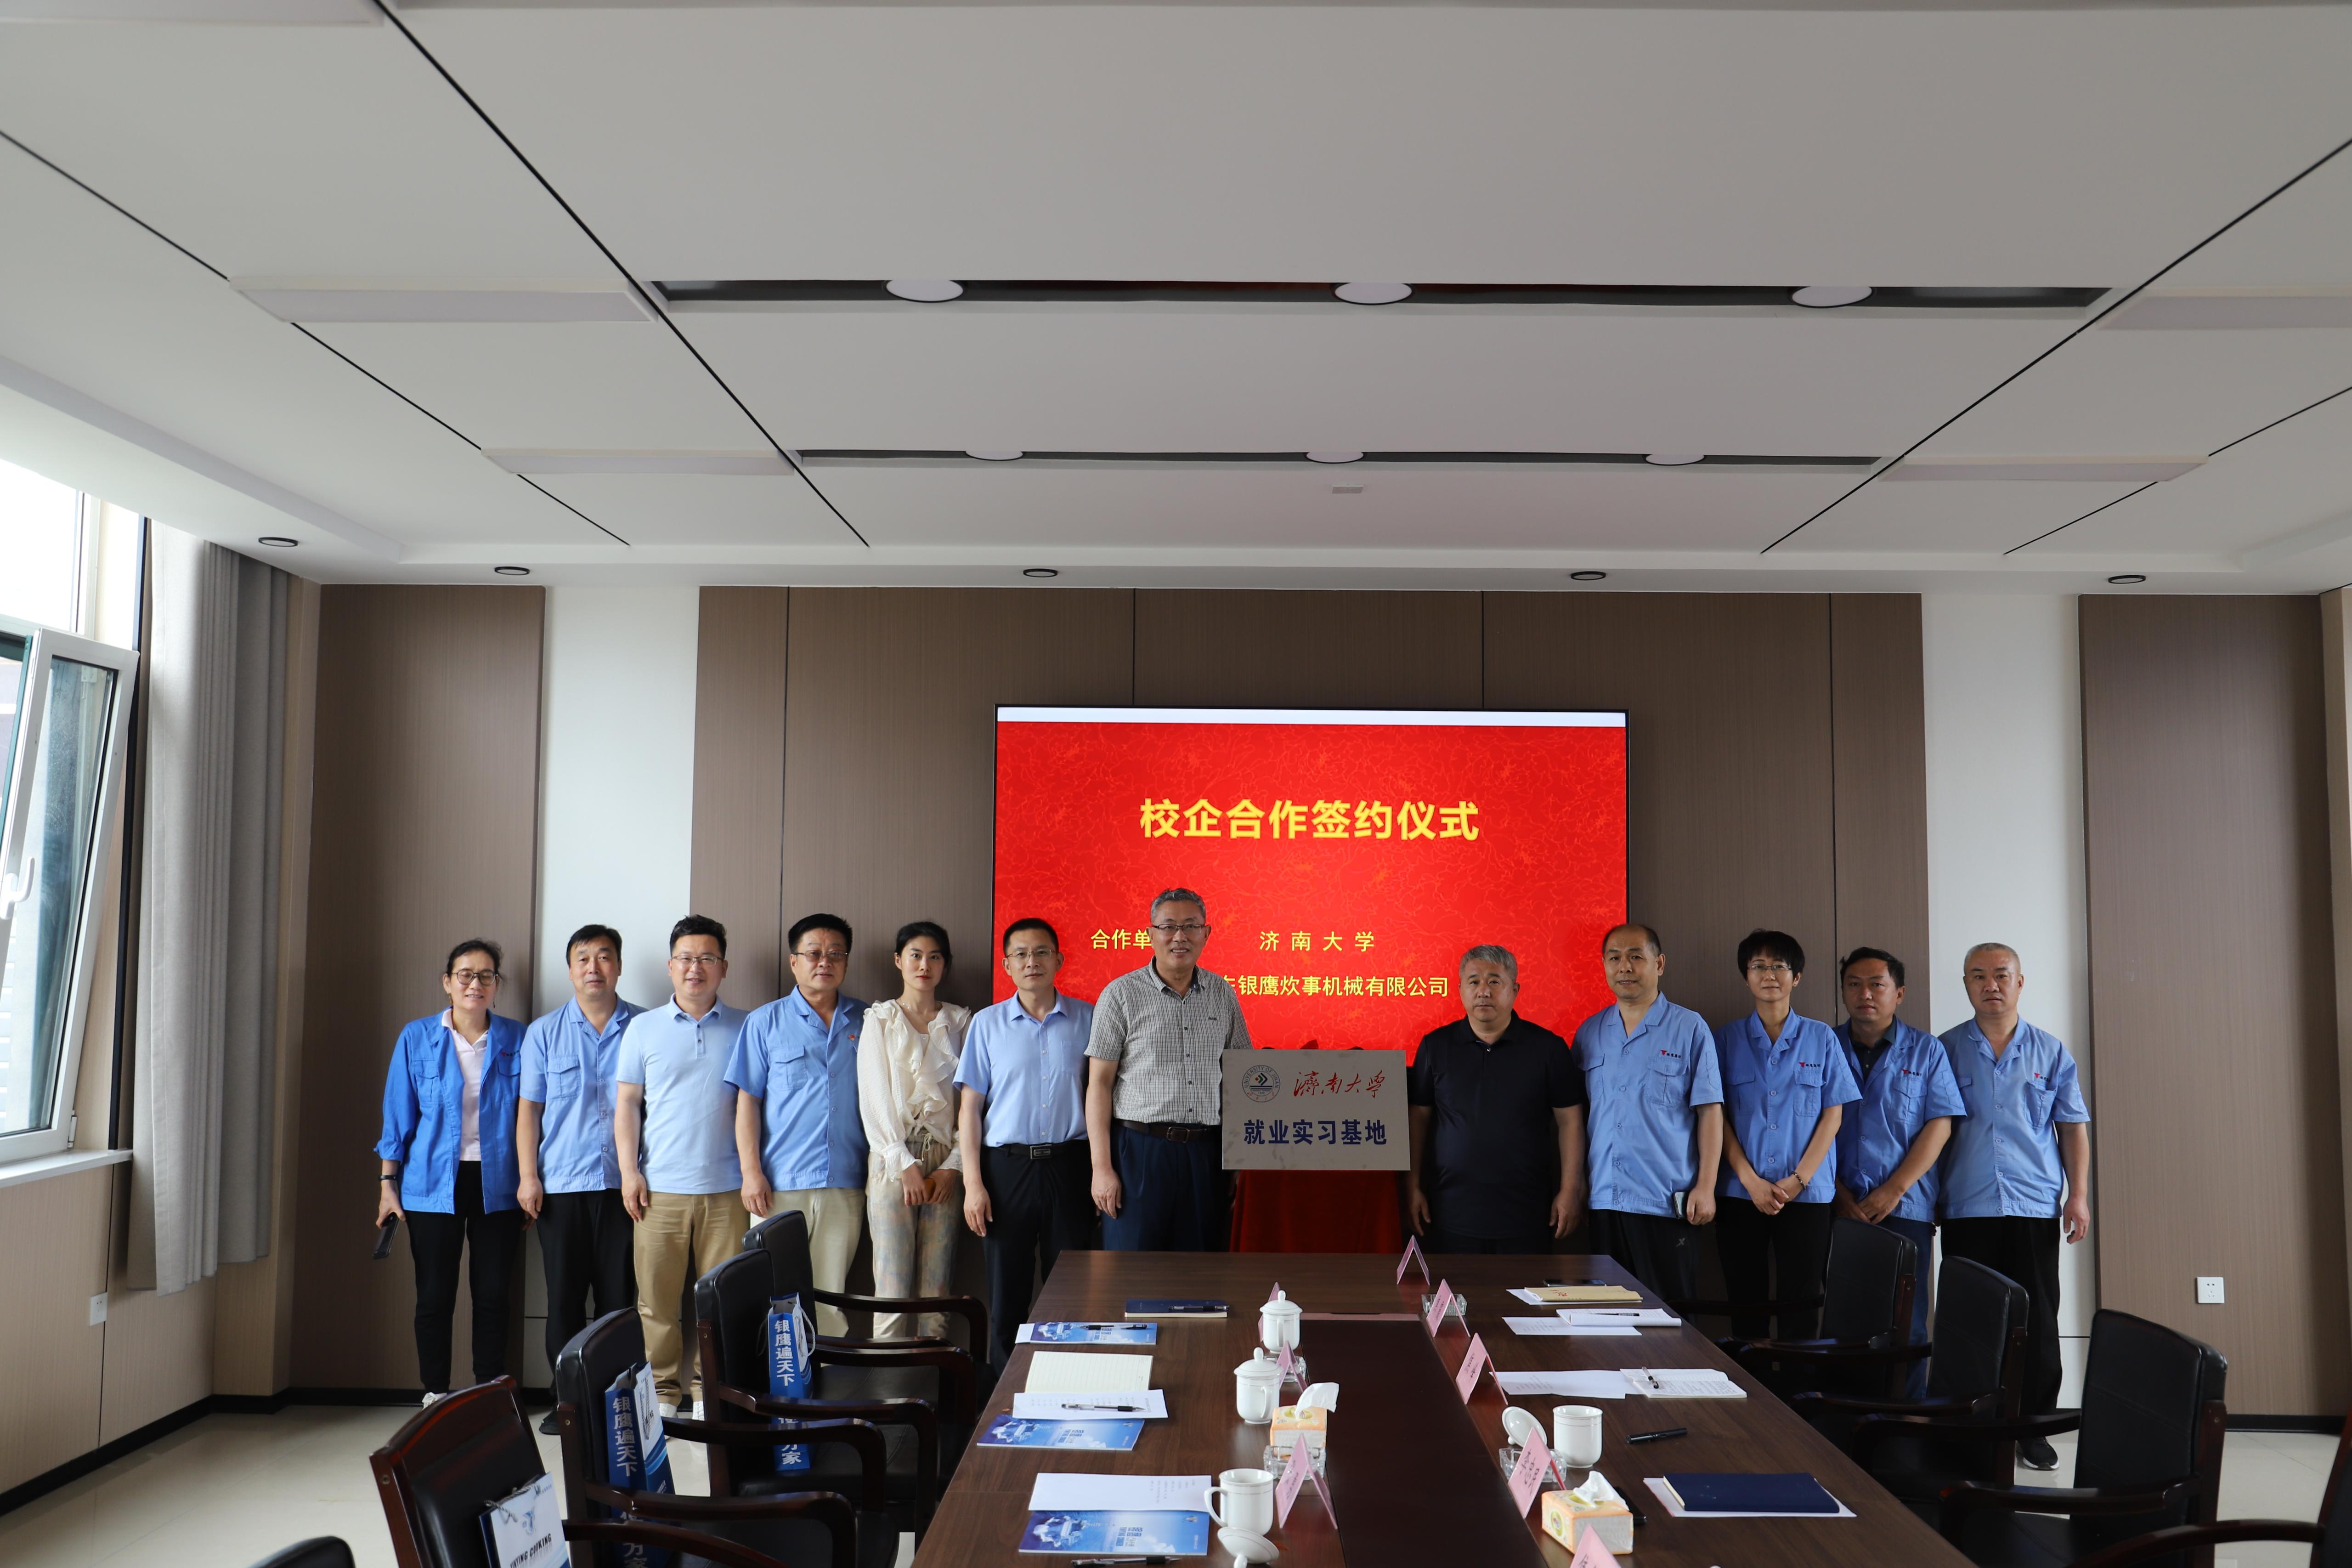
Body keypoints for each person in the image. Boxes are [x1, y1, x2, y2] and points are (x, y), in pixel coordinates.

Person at [1936, 942, 2091, 1471]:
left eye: (2001, 974)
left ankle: (2033, 1427)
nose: (1990, 984)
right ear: (1965, 983)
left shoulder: (2049, 1051)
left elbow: (2071, 1127)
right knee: (1970, 1320)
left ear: (2019, 982)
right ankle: (1972, 1426)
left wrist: (2077, 1195)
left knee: (2037, 1320)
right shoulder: (1944, 1049)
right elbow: (1932, 1130)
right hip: (1966, 1204)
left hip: (2032, 1204)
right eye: (1977, 975)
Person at [375, 938, 527, 1405]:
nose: (475, 983)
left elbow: (532, 1117)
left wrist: (531, 1179)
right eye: (465, 974)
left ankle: (490, 1392)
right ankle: (436, 1393)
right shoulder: (416, 1036)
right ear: (448, 982)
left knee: (493, 1294)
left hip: (499, 1182)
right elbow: (398, 1115)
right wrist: (387, 1183)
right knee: (434, 1295)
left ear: (497, 984)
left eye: (486, 975)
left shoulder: (519, 1038)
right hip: (430, 1182)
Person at [615, 915, 749, 1415]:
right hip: (659, 1190)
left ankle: (709, 1390)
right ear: (670, 966)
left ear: (724, 967)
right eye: (686, 958)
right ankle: (663, 1393)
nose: (696, 968)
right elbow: (628, 1104)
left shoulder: (748, 1025)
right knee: (656, 1302)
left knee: (721, 1303)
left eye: (707, 958)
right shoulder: (643, 1028)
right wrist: (630, 1172)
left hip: (728, 1189)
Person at [517, 923, 644, 1432]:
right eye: (583, 958)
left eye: (604, 956)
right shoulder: (544, 1032)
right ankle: (567, 1402)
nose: (594, 967)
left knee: (618, 1300)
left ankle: (615, 1403)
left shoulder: (644, 1026)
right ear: (570, 970)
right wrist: (528, 1176)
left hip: (624, 1188)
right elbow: (529, 1111)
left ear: (619, 965)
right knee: (564, 1301)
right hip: (561, 1188)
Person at [959, 918, 1097, 1368]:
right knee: (1007, 1292)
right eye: (1020, 953)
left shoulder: (1089, 1019)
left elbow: (1103, 1099)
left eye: (1041, 952)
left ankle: (1070, 1380)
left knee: (1073, 1288)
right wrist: (973, 1184)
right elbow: (969, 1109)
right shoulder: (987, 1024)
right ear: (1007, 965)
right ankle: (1005, 1387)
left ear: (1059, 959)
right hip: (1006, 1169)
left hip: (1071, 1165)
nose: (1031, 961)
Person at [1713, 928, 1860, 1341]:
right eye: (1758, 966)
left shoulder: (1821, 1037)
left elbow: (1833, 1116)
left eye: (1779, 965)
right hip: (1741, 1193)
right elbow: (1716, 1117)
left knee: (1803, 1304)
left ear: (1797, 977)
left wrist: (1798, 1180)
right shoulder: (1724, 1039)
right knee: (1745, 1303)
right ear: (1746, 976)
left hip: (1807, 1195)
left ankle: (1800, 1384)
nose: (1769, 974)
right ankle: (1750, 1383)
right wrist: (1750, 1181)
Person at [1830, 946, 1964, 1398]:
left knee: (1907, 1321)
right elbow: (1808, 1126)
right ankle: (1846, 1414)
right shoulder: (1824, 1045)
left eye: (1877, 984)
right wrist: (1837, 1193)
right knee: (1845, 1318)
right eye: (1854, 984)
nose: (1865, 994)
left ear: (1899, 993)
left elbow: (1940, 1124)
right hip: (1839, 1205)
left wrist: (1894, 1189)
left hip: (1905, 1206)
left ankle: (1905, 1416)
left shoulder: (1927, 1050)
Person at [1085, 888, 1251, 1251]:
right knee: (1132, 1266)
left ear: (1206, 933)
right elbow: (1099, 1084)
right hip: (1139, 1152)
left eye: (1191, 926)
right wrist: (1102, 1168)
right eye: (1169, 926)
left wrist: (1238, 1166)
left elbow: (1241, 1080)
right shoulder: (1121, 994)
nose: (1180, 936)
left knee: (1200, 1267)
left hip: (1205, 1153)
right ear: (1151, 933)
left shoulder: (1222, 994)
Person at [729, 912, 868, 1336]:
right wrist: (751, 1172)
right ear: (794, 962)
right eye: (814, 953)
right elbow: (747, 1102)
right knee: (775, 1300)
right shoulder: (764, 1022)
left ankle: (826, 1378)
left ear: (846, 962)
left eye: (836, 953)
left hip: (846, 1182)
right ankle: (780, 1381)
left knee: (830, 1299)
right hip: (779, 1185)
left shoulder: (869, 1020)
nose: (825, 961)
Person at [1572, 923, 1723, 1301]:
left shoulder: (1689, 1027)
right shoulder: (1590, 1032)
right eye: (1615, 958)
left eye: (1636, 956)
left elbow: (1710, 1112)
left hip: (1665, 1202)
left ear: (1659, 964)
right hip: (1605, 1200)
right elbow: (1577, 1118)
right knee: (1607, 1318)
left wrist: (1706, 1187)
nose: (1624, 966)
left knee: (1669, 1319)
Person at [1406, 945, 1587, 1252]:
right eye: (1474, 981)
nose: (1484, 991)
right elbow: (1418, 1118)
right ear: (1460, 989)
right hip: (1450, 1210)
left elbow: (1570, 1120)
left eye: (1494, 981)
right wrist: (1412, 1187)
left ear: (1514, 990)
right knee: (1456, 1284)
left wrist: (1570, 1190)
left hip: (1528, 1211)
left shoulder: (1548, 1048)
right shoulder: (1435, 1046)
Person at [856, 921, 971, 1339]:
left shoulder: (961, 1022)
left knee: (938, 1286)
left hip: (946, 1159)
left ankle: (931, 1378)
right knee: (891, 1284)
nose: (925, 965)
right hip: (892, 1159)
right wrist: (902, 1162)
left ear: (945, 965)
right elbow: (873, 1097)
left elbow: (971, 1102)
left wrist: (954, 1166)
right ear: (898, 961)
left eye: (935, 956)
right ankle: (889, 1380)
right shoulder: (881, 1019)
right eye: (916, 955)